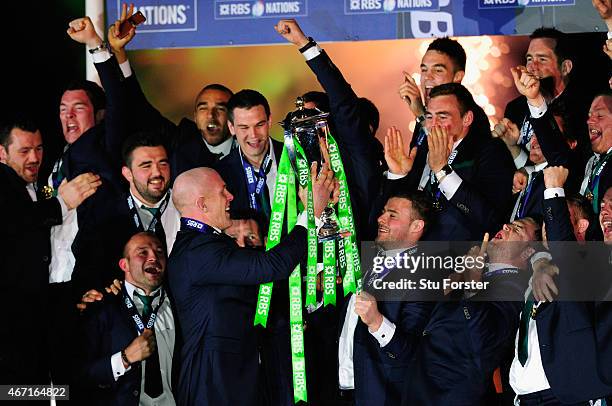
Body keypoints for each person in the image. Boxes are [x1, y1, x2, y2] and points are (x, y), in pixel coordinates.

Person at [167, 165, 336, 406]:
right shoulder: (198, 250)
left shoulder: (207, 245)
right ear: (202, 204)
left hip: (232, 380)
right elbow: (271, 267)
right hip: (212, 385)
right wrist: (312, 213)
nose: (231, 197)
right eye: (223, 191)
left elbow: (264, 284)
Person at [0, 117, 100, 385]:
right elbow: (17, 219)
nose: (34, 157)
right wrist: (61, 204)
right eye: (24, 151)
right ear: (2, 152)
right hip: (11, 327)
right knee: (16, 392)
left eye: (40, 148)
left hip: (40, 320)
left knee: (45, 389)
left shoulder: (36, 186)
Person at [402, 217, 542, 405]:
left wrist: (471, 282)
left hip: (449, 394)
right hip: (419, 385)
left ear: (528, 252)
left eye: (517, 229)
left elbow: (485, 340)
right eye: (509, 223)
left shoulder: (519, 289)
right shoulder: (477, 272)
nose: (505, 225)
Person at [508, 165, 612, 405]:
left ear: (581, 226)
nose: (550, 225)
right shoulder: (539, 265)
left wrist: (554, 189)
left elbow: (568, 260)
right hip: (524, 395)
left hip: (565, 394)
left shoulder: (591, 262)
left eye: (559, 219)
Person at [275, 19, 385, 240]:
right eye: (298, 125)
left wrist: (304, 45)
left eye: (311, 122)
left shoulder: (356, 151)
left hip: (359, 261)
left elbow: (342, 98)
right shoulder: (293, 165)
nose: (304, 131)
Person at [107, 4, 234, 178]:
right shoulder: (181, 140)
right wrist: (118, 51)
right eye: (203, 108)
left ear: (234, 117)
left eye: (221, 108)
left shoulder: (249, 145)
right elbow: (137, 104)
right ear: (195, 117)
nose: (211, 116)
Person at [336, 191, 434, 406]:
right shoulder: (366, 257)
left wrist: (376, 322)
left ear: (416, 227)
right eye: (383, 213)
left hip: (380, 395)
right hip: (342, 388)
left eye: (392, 215)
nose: (381, 219)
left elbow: (411, 353)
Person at [384, 83, 515, 241]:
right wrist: (398, 176)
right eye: (430, 116)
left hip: (458, 257)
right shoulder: (424, 148)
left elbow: (491, 219)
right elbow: (404, 207)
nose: (433, 124)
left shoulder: (490, 151)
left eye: (443, 116)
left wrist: (442, 171)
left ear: (466, 119)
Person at [77, 231, 179, 406]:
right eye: (143, 252)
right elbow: (80, 375)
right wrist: (124, 359)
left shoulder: (181, 305)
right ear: (125, 265)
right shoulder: (100, 306)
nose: (154, 257)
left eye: (160, 251)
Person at [76, 131, 181, 293]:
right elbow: (88, 270)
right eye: (146, 165)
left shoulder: (187, 206)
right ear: (127, 173)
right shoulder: (103, 215)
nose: (157, 173)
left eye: (163, 163)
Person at [503, 27, 592, 170]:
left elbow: (574, 164)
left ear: (565, 67)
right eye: (529, 59)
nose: (532, 67)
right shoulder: (515, 108)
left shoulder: (583, 109)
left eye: (542, 59)